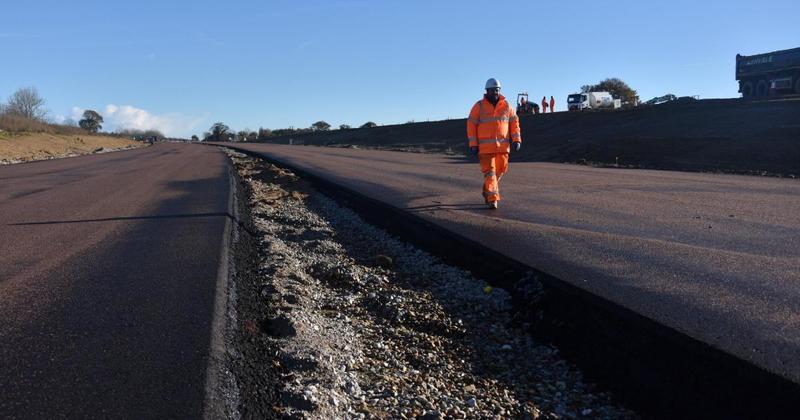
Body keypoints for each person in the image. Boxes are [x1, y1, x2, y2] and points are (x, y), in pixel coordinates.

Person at [467, 78, 522, 209]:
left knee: (501, 169)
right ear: (487, 91)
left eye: (497, 90)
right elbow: (471, 124)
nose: (495, 92)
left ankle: (487, 188)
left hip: (503, 147)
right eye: (492, 90)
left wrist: (517, 139)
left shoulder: (507, 106)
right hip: (485, 149)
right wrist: (473, 144)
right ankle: (493, 199)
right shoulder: (479, 106)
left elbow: (514, 123)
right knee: (490, 172)